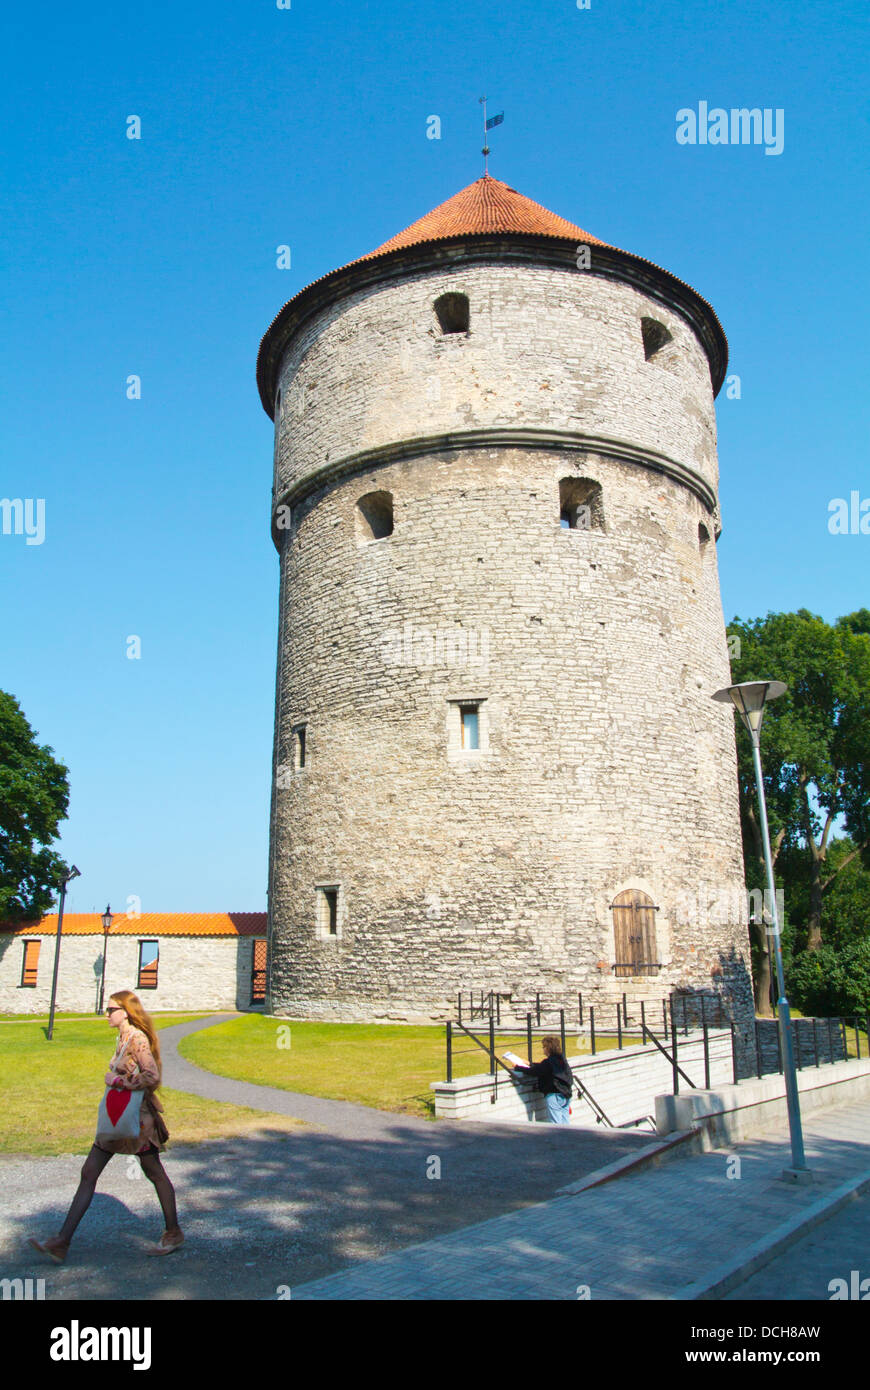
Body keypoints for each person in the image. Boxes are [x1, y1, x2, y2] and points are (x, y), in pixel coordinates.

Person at [29, 988, 183, 1262]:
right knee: (89, 1172)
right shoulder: (122, 1038)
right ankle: (62, 1241)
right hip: (118, 1119)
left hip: (137, 1122)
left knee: (154, 1172)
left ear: (126, 1012)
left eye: (111, 1009)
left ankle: (173, 1232)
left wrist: (120, 1082)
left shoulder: (137, 1038)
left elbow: (152, 1075)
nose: (107, 1013)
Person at [504, 1035, 574, 1124]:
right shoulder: (561, 1059)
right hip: (566, 1093)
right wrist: (529, 1063)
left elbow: (535, 1071)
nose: (543, 1049)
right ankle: (567, 1137)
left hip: (554, 1095)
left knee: (556, 1124)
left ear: (548, 1048)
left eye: (544, 1047)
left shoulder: (548, 1062)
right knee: (565, 1122)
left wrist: (518, 1067)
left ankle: (558, 1138)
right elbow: (542, 1068)